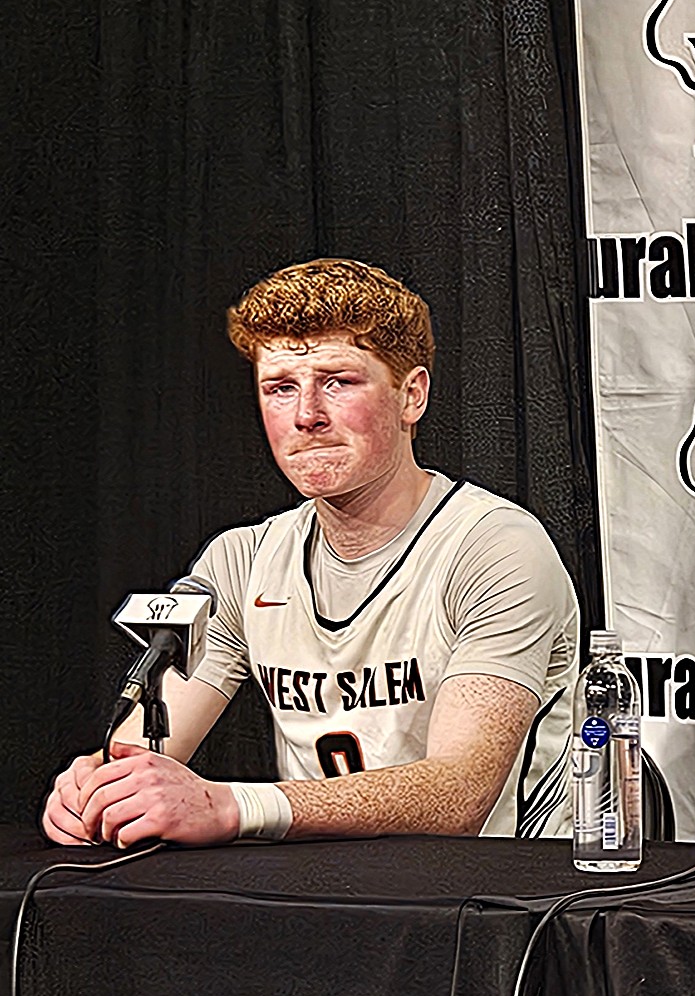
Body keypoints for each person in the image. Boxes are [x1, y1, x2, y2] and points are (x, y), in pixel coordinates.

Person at [43, 257, 581, 847]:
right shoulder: (241, 560)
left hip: (497, 904)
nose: (307, 416)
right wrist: (97, 790)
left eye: (339, 382)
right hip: (321, 900)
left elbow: (459, 795)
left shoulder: (495, 548)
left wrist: (230, 805)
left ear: (412, 396)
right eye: (280, 388)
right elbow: (148, 748)